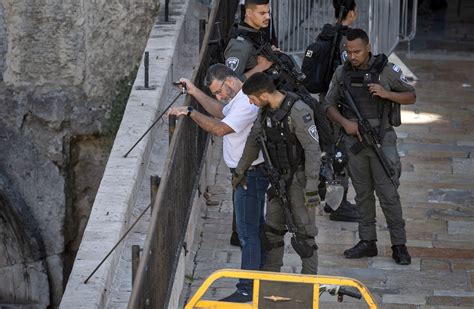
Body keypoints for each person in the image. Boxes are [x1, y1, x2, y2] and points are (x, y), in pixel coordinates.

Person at [167, 64, 269, 302]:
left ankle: (247, 290)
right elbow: (222, 112)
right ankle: (258, 278)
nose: (219, 97)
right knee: (253, 228)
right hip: (245, 173)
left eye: (219, 91)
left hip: (250, 174)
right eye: (215, 94)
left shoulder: (246, 102)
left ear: (230, 81)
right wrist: (193, 92)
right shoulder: (240, 96)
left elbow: (220, 128)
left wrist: (191, 112)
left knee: (247, 233)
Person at [323, 29, 416, 265]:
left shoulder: (386, 69)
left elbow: (411, 95)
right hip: (355, 143)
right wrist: (346, 124)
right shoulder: (342, 73)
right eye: (349, 51)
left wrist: (386, 94)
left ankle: (399, 244)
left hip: (381, 140)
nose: (352, 56)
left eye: (357, 51)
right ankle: (367, 241)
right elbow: (328, 105)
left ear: (369, 48)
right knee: (362, 194)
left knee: (388, 195)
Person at [233, 72, 321, 277]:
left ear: (263, 95)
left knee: (304, 237)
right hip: (277, 179)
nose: (250, 102)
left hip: (299, 181)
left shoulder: (298, 111)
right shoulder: (264, 112)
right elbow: (254, 141)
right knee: (272, 233)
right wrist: (240, 170)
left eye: (252, 98)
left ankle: (309, 284)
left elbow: (312, 150)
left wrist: (312, 186)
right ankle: (270, 280)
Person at [224, 0, 274, 79]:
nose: (268, 17)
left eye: (268, 12)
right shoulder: (239, 45)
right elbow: (230, 83)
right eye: (262, 13)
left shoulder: (255, 33)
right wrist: (260, 67)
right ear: (249, 13)